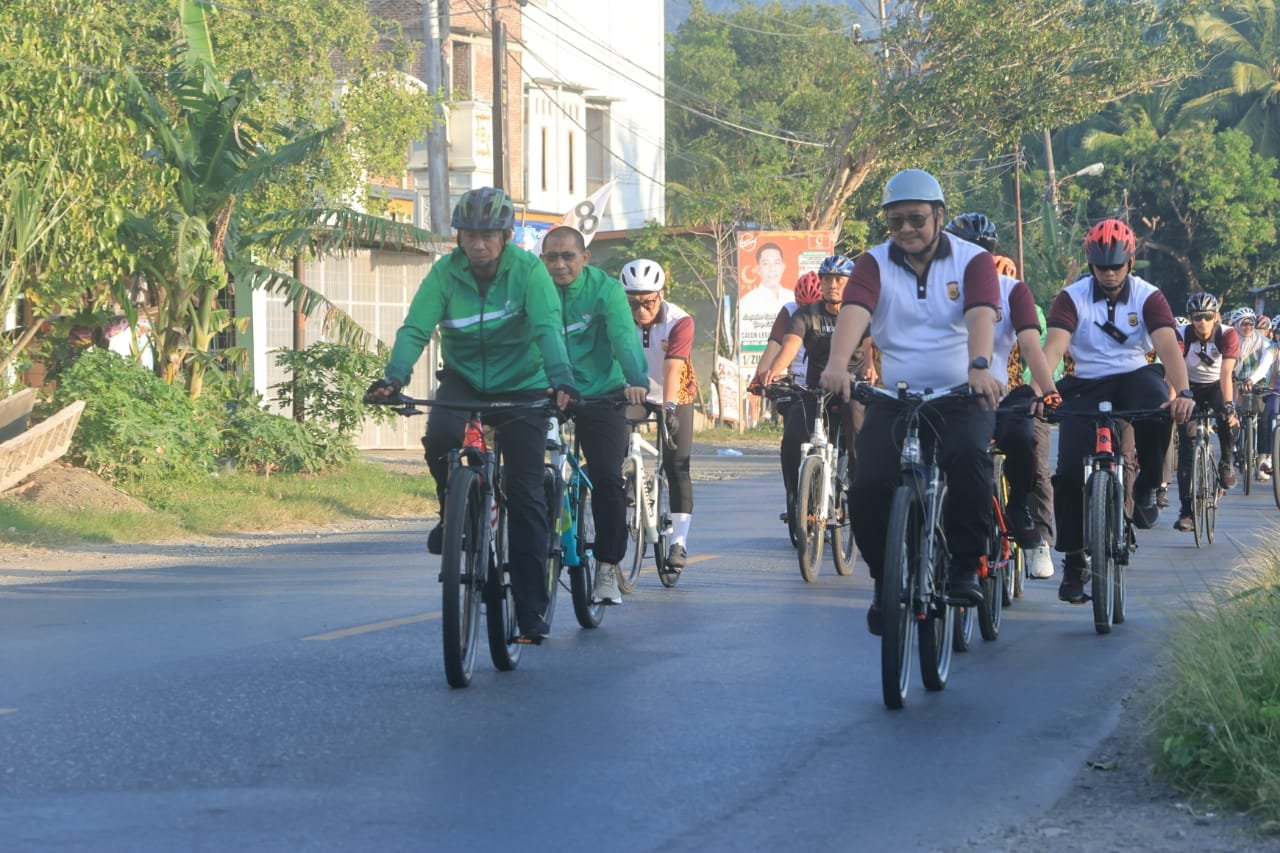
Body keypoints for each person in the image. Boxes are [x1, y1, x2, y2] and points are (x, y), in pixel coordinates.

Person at [365, 187, 577, 644]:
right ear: (459, 237)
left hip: (523, 382)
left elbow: (545, 327)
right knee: (439, 436)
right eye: (468, 235)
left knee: (524, 492)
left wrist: (560, 379)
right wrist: (394, 377)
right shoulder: (445, 273)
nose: (477, 244)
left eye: (487, 235)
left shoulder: (528, 273)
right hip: (464, 379)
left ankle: (530, 608)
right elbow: (416, 327)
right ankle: (453, 512)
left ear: (505, 236)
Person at [819, 169, 1005, 634]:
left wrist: (980, 365)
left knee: (968, 459)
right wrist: (838, 364)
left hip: (961, 394)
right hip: (895, 398)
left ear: (939, 216)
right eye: (896, 220)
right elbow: (855, 312)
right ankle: (885, 582)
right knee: (868, 486)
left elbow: (982, 312)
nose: (906, 229)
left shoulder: (972, 261)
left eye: (916, 219)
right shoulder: (872, 264)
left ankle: (964, 563)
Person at [1041, 218, 1194, 604]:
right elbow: (1054, 348)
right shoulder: (1071, 297)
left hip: (1134, 375)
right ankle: (1075, 561)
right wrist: (1043, 391)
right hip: (1086, 383)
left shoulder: (1149, 296)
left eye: (1116, 266)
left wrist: (1185, 392)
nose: (1109, 274)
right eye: (1101, 267)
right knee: (1070, 469)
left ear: (1130, 261)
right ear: (1090, 264)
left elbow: (1166, 347)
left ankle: (1145, 490)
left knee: (1159, 408)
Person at [944, 212, 1061, 581]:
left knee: (1025, 437)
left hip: (998, 394)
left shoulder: (1012, 292)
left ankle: (1019, 510)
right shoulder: (935, 286)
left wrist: (1050, 391)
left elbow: (1030, 344)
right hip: (943, 393)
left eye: (978, 253)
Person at [540, 226, 649, 606]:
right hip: (548, 389)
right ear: (543, 260)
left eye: (568, 256)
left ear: (585, 258)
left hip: (601, 393)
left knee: (605, 477)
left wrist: (636, 380)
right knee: (527, 473)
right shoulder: (536, 289)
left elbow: (623, 337)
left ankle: (605, 567)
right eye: (551, 257)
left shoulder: (605, 290)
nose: (560, 264)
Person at [761, 255, 873, 530]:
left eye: (839, 279)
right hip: (815, 389)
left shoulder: (861, 312)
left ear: (850, 283)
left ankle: (860, 490)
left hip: (852, 386)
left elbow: (871, 345)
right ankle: (797, 499)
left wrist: (871, 367)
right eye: (827, 279)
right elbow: (790, 345)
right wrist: (774, 371)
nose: (832, 284)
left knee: (857, 425)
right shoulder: (805, 314)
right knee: (791, 439)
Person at [622, 258, 697, 571]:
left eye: (648, 302)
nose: (641, 310)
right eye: (634, 303)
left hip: (673, 391)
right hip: (633, 389)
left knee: (677, 463)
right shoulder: (618, 316)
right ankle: (629, 477)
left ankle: (678, 543)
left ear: (661, 294)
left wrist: (668, 408)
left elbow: (673, 367)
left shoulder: (680, 321)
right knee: (614, 434)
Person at [1172, 292, 1238, 531]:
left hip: (1217, 386)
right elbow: (1173, 369)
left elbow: (1226, 374)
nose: (1202, 322)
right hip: (1188, 387)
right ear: (1190, 318)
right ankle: (1186, 511)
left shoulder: (1227, 334)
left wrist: (1229, 407)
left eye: (1207, 316)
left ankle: (1227, 463)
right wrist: (1174, 401)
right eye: (1197, 317)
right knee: (1187, 451)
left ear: (1215, 316)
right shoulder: (1181, 335)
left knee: (1227, 419)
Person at [1229, 306, 1276, 482]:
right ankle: (1232, 451)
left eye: (1251, 323)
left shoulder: (1264, 342)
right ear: (1236, 325)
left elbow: (1266, 363)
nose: (1248, 327)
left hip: (1257, 384)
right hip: (1235, 383)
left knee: (1264, 417)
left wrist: (1252, 380)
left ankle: (1263, 457)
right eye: (1243, 324)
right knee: (1230, 415)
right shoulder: (1230, 340)